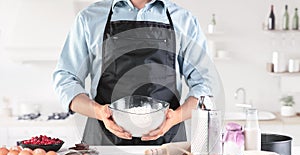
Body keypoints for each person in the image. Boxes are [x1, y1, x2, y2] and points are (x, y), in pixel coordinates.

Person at [53, 0, 217, 145]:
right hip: (104, 145)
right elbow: (66, 79)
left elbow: (205, 84)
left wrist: (176, 117)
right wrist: (99, 112)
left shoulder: (184, 20)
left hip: (168, 146)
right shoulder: (89, 18)